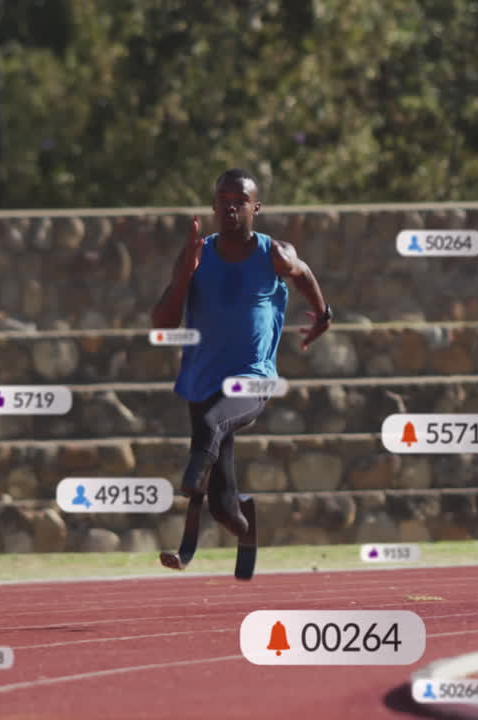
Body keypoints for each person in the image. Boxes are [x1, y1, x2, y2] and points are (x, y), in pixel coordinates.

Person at [151, 168, 332, 580]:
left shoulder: (274, 253)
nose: (231, 207)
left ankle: (189, 501)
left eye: (240, 200)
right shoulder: (197, 254)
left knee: (212, 426)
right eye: (223, 200)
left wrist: (323, 314)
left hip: (254, 377)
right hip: (203, 379)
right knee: (223, 508)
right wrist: (184, 275)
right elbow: (162, 320)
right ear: (214, 206)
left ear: (256, 208)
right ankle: (243, 522)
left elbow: (303, 275)